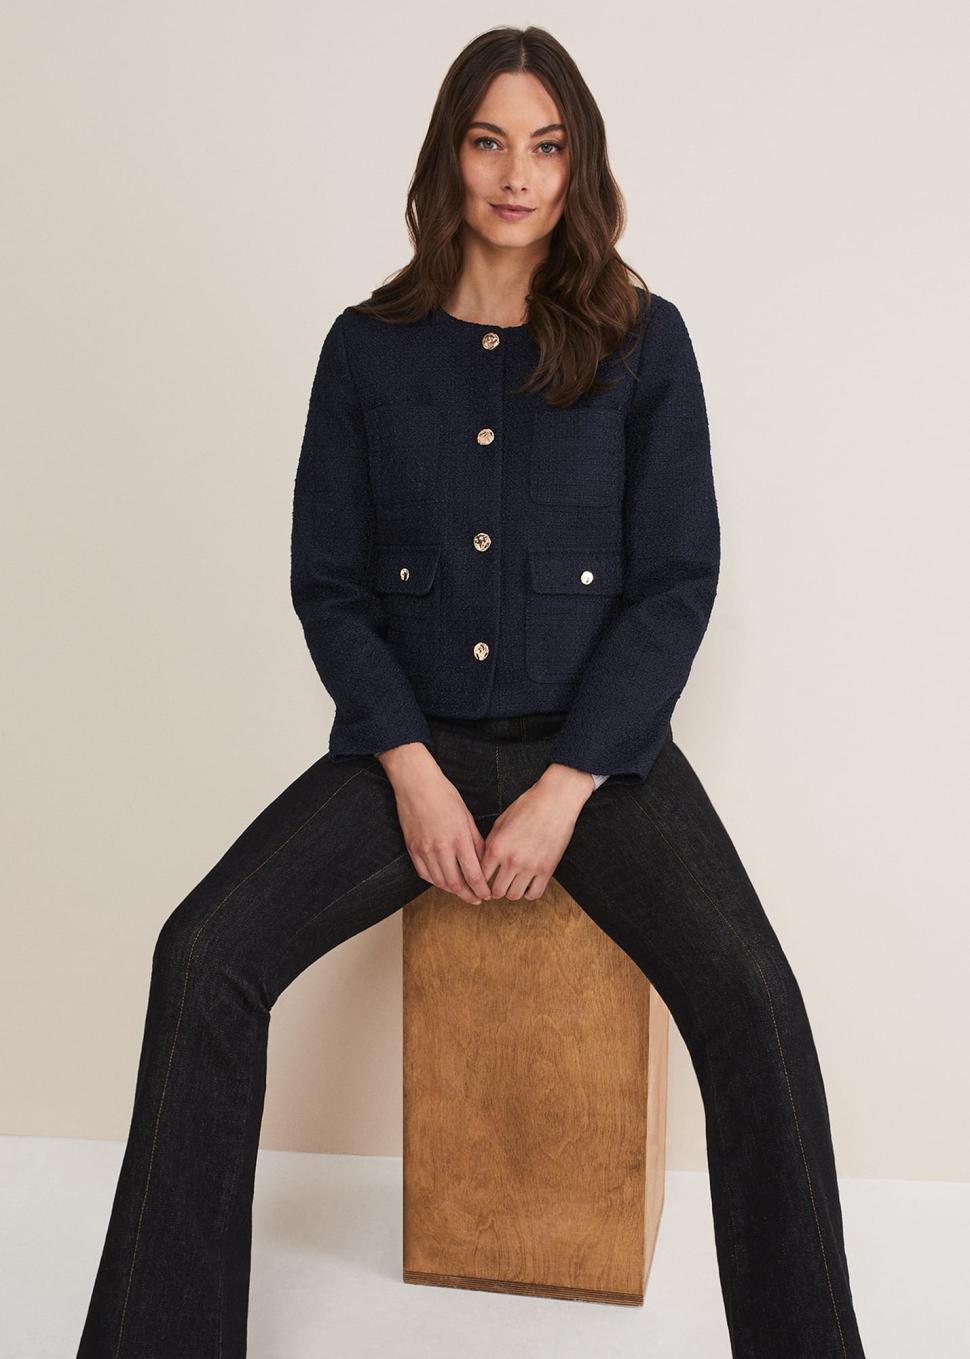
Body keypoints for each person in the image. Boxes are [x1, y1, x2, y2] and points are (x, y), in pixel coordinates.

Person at [75, 25, 868, 1359]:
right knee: (201, 955)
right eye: (490, 141)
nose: (517, 175)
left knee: (755, 1003)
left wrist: (568, 788)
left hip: (596, 760)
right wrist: (408, 768)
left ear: (579, 165)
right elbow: (331, 585)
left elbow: (675, 582)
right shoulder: (367, 351)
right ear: (450, 155)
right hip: (414, 749)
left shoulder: (643, 343)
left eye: (546, 146)